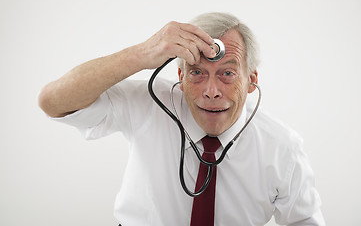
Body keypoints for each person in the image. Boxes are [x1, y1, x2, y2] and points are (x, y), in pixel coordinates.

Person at [38, 12, 325, 225]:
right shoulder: (151, 104)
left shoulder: (283, 147)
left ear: (251, 80)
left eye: (227, 73)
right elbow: (53, 102)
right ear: (181, 78)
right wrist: (142, 53)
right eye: (197, 73)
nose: (211, 92)